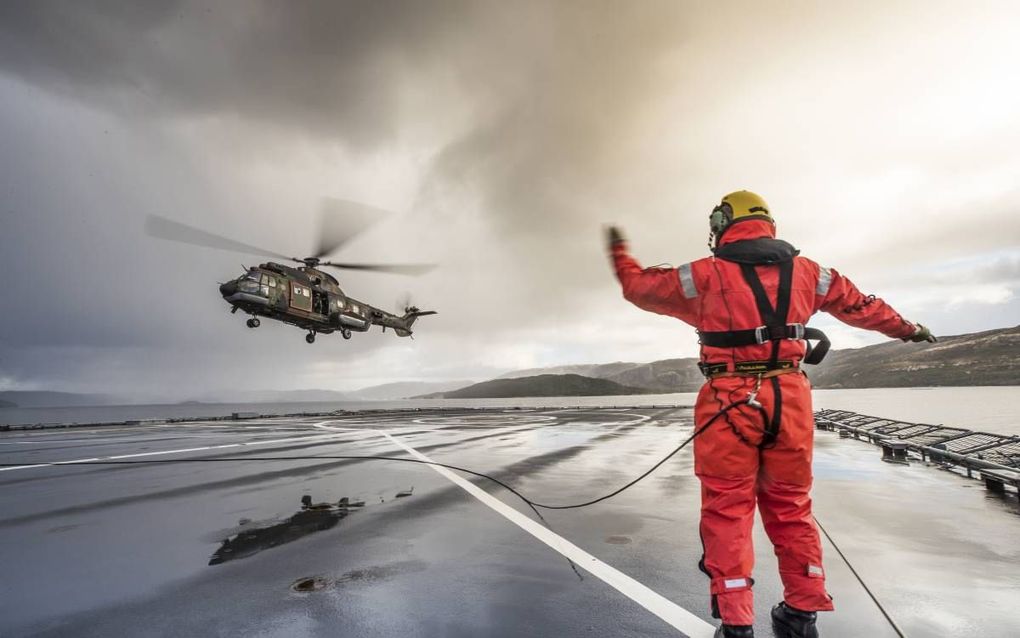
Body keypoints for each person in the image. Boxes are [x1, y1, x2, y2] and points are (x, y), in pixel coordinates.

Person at [606, 191, 935, 638]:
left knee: (727, 510)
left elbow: (638, 288)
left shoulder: (701, 276)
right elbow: (862, 307)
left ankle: (737, 622)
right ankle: (801, 614)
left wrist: (619, 252)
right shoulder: (813, 274)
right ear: (768, 223)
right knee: (792, 507)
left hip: (729, 401)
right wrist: (908, 329)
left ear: (724, 221)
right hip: (790, 399)